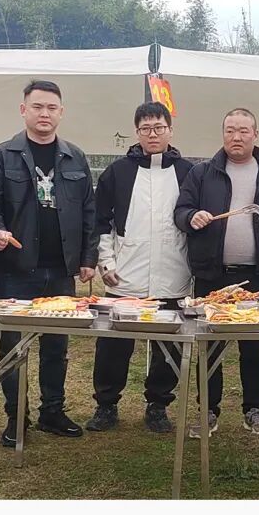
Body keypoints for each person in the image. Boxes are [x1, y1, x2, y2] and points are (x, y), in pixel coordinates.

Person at [0, 80, 98, 448]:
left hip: (61, 269)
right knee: (13, 346)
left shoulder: (75, 157)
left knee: (56, 345)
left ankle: (52, 411)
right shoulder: (4, 155)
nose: (44, 114)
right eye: (37, 107)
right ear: (23, 110)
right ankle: (17, 416)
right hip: (16, 268)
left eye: (51, 108)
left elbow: (89, 212)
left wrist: (87, 258)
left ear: (61, 112)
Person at [174, 107, 259, 438]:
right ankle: (208, 410)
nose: (236, 137)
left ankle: (254, 409)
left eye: (243, 131)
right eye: (230, 130)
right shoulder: (202, 173)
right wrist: (191, 217)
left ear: (255, 134)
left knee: (252, 346)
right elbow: (181, 210)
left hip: (253, 276)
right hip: (212, 274)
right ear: (223, 133)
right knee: (210, 345)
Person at [86, 101, 194, 433]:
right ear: (137, 132)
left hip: (173, 275)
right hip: (125, 277)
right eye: (146, 128)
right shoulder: (117, 172)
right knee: (113, 346)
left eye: (159, 127)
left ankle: (158, 405)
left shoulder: (188, 172)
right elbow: (101, 222)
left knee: (168, 348)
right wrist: (106, 262)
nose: (153, 134)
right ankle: (106, 404)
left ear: (170, 130)